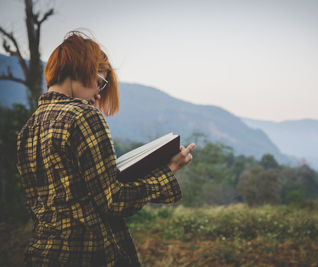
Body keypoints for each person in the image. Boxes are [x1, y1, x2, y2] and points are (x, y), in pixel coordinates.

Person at [16, 31, 195, 267]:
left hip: (41, 254)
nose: (99, 94)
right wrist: (168, 170)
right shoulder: (84, 116)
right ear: (82, 68)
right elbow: (114, 200)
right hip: (87, 254)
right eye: (100, 82)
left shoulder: (28, 128)